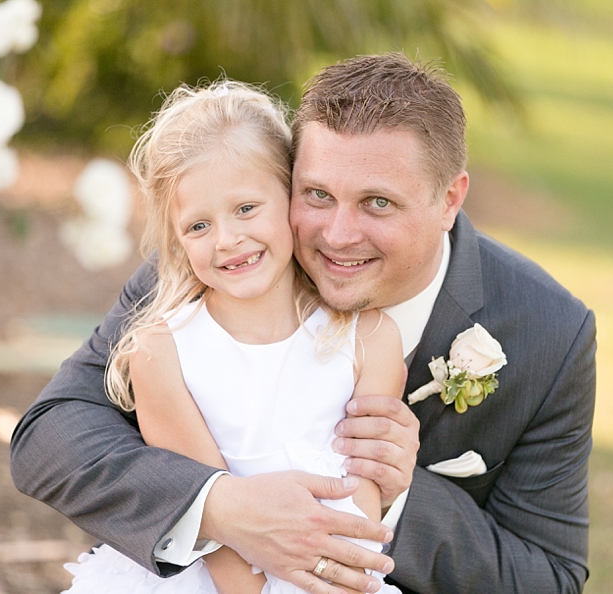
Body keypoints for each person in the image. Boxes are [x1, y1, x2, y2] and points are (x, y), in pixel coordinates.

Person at [11, 53, 596, 594]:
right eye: (316, 194)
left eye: (377, 203)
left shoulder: (550, 334)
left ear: (449, 199)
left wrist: (396, 496)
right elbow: (49, 438)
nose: (337, 236)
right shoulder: (219, 266)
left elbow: (550, 578)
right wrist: (220, 507)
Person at [56, 80, 405, 594]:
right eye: (198, 226)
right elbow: (207, 526)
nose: (227, 239)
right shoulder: (159, 352)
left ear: (291, 197)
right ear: (176, 239)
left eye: (246, 209)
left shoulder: (368, 338)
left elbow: (362, 514)